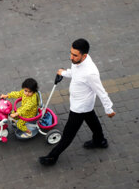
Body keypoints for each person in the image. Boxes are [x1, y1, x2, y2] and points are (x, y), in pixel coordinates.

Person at [39, 38, 116, 166]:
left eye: (75, 55)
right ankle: (100, 141)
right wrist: (64, 73)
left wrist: (109, 109)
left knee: (68, 134)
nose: (71, 57)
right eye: (71, 53)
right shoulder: (78, 61)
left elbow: (101, 92)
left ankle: (52, 157)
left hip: (79, 107)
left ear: (84, 55)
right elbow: (75, 73)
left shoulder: (90, 73)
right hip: (82, 104)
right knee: (92, 119)